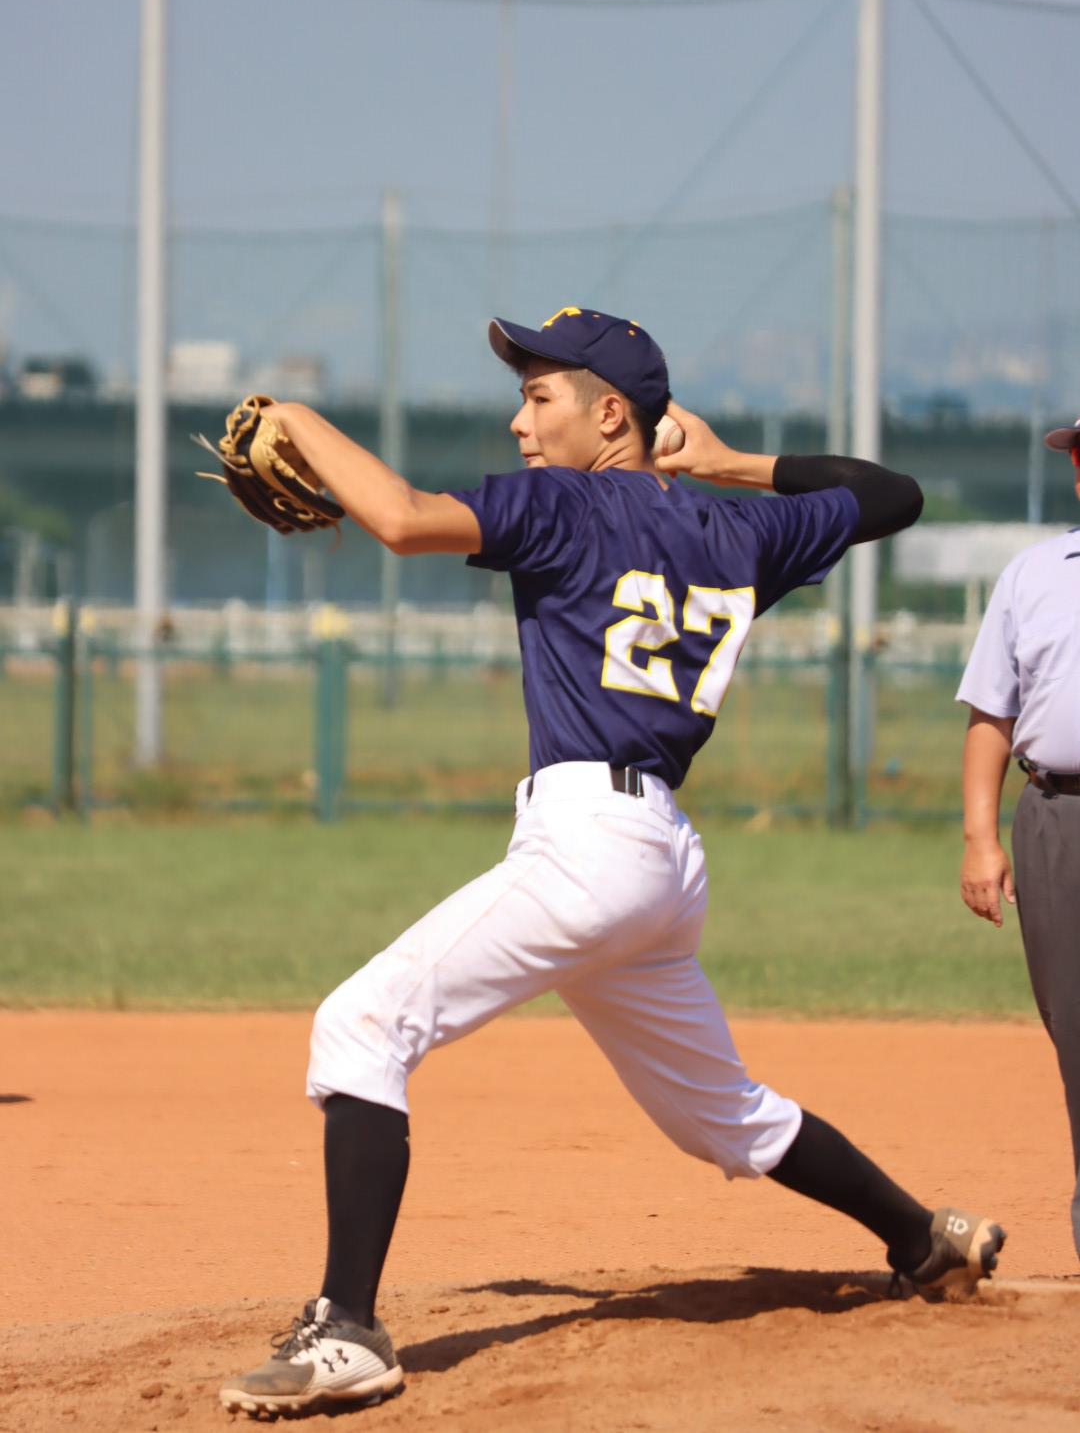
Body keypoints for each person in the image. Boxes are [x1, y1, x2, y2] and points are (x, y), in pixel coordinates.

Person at [221, 308, 1005, 1419]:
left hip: (588, 847)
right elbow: (895, 496)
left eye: (540, 397)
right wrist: (727, 461)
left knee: (360, 1025)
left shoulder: (560, 504)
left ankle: (347, 1331)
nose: (520, 421)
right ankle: (925, 1238)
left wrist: (300, 417)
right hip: (660, 862)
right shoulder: (740, 533)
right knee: (722, 1116)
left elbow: (397, 518)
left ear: (609, 418)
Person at [956, 412, 1080, 1265]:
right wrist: (981, 837)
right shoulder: (1034, 575)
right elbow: (991, 718)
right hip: (1056, 817)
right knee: (1075, 1026)